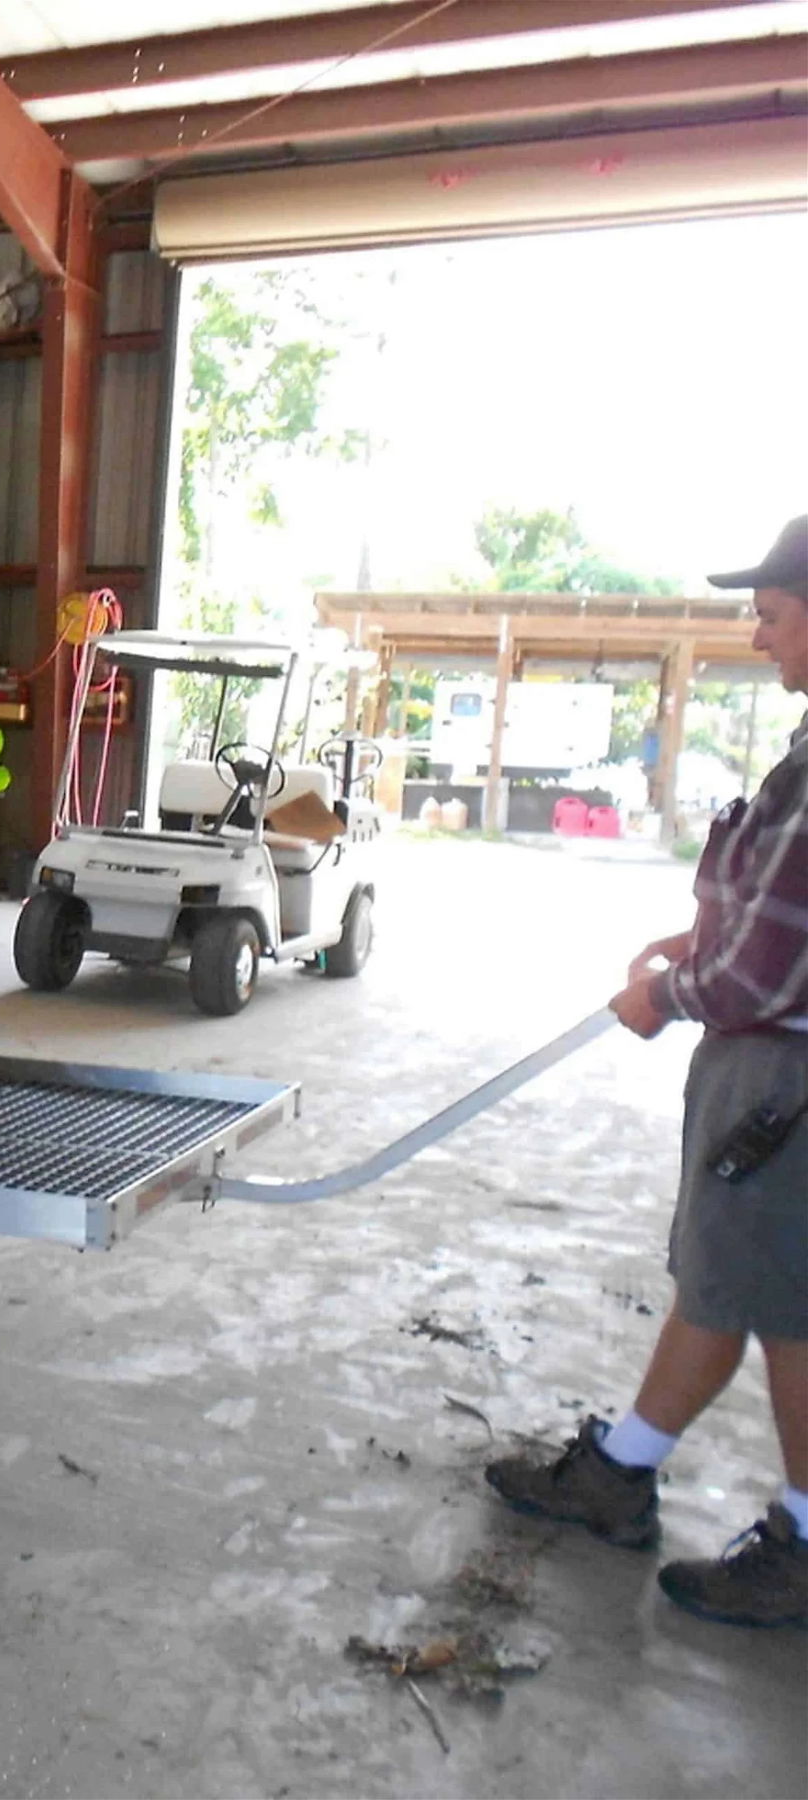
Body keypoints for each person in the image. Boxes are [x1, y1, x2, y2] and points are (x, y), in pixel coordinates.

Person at [484, 514, 808, 1629]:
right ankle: (623, 1472)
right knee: (742, 1290)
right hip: (776, 1074)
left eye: (772, 616)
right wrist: (706, 943)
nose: (761, 637)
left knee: (778, 1304)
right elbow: (775, 931)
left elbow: (767, 977)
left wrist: (665, 994)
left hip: (784, 1082)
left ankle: (794, 1540)